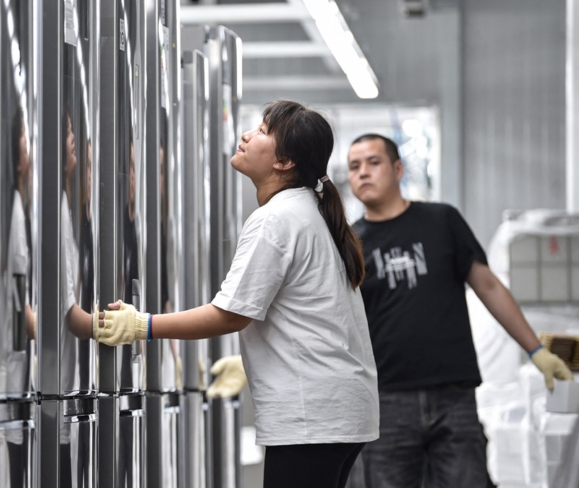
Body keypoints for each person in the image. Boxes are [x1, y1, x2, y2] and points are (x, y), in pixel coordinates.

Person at [96, 100, 380, 488]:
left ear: (284, 162)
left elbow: (230, 314)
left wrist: (141, 325)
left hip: (312, 415)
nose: (247, 135)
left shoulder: (277, 218)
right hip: (336, 409)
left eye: (262, 131)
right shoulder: (306, 210)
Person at [346, 133, 574, 488]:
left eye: (373, 162)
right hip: (386, 399)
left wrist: (536, 351)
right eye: (354, 166)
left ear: (398, 169)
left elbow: (489, 286)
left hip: (453, 394)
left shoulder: (441, 221)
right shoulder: (350, 244)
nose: (362, 172)